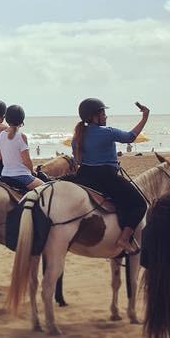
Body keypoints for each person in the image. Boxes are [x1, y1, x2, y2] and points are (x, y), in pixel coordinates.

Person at [71, 98, 149, 255]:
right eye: (103, 113)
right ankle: (124, 239)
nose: (106, 116)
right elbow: (130, 137)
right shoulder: (107, 132)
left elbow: (77, 160)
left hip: (84, 177)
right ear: (94, 116)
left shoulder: (78, 136)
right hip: (105, 177)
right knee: (140, 204)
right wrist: (144, 117)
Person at [0, 105, 42, 192]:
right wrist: (32, 171)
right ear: (21, 120)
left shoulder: (1, 134)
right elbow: (26, 161)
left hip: (5, 175)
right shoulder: (21, 136)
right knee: (46, 189)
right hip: (22, 176)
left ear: (6, 118)